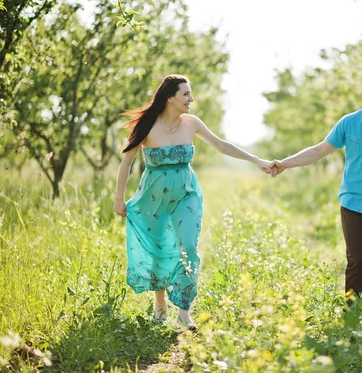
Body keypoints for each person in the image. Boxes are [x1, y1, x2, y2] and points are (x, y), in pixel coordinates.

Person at [113, 75, 272, 329]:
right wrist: (119, 198)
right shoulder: (147, 125)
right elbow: (127, 162)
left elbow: (221, 145)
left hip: (187, 194)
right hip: (153, 198)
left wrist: (256, 160)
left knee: (189, 248)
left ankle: (184, 312)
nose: (191, 99)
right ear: (170, 97)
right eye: (186, 94)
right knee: (160, 249)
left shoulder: (191, 123)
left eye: (190, 93)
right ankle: (160, 304)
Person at [269, 72, 362, 305]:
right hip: (352, 202)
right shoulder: (349, 123)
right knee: (356, 258)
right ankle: (352, 309)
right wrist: (285, 163)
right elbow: (319, 150)